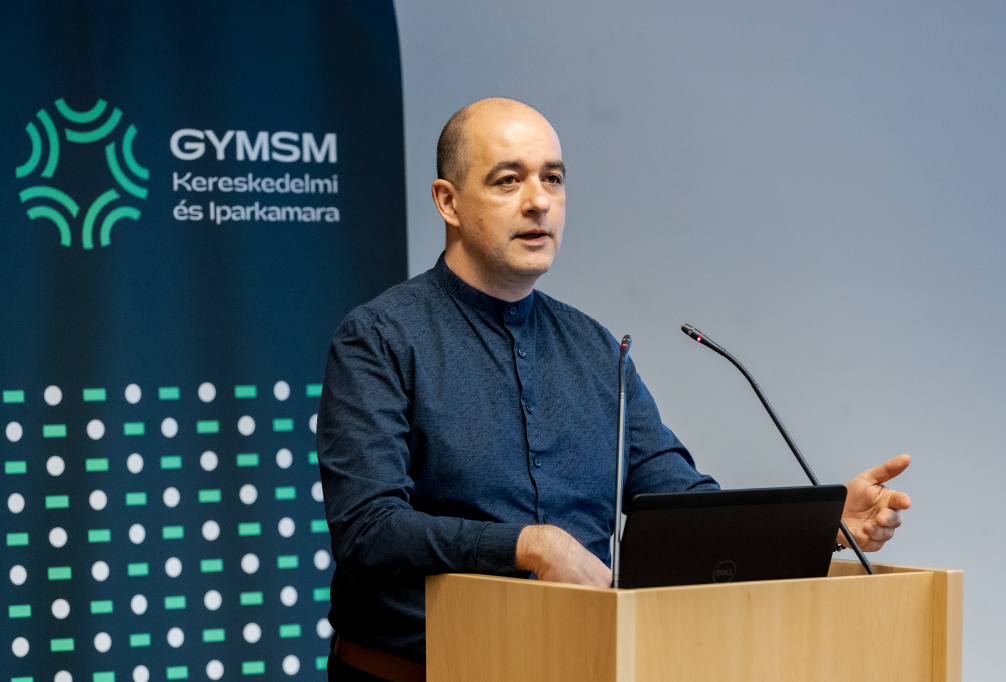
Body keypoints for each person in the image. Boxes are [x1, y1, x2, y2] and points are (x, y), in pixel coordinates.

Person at [316, 98, 912, 681]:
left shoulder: (595, 348)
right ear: (447, 201)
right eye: (508, 181)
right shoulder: (380, 338)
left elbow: (681, 505)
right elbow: (368, 530)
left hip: (581, 666)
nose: (538, 201)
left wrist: (822, 525)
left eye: (553, 179)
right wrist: (528, 545)